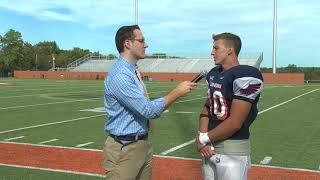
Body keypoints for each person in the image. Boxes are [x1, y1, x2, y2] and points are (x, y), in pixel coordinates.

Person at [103, 25, 197, 180]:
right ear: (128, 43)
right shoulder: (121, 75)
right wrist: (176, 93)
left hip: (140, 144)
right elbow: (148, 110)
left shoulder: (131, 70)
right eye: (141, 41)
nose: (146, 45)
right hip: (125, 147)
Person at [195, 32, 263, 180]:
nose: (212, 52)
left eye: (216, 48)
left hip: (233, 150)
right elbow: (207, 108)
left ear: (230, 50)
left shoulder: (246, 74)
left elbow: (235, 123)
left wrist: (203, 139)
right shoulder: (213, 74)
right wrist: (201, 136)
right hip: (209, 149)